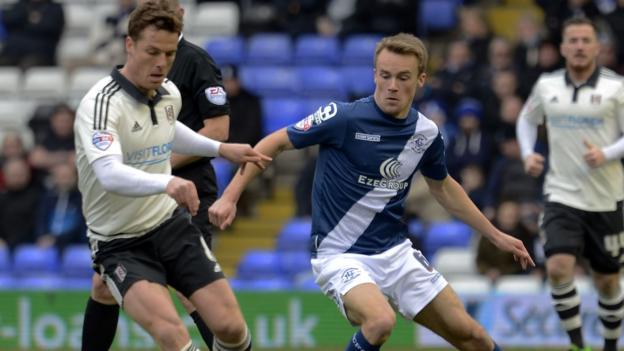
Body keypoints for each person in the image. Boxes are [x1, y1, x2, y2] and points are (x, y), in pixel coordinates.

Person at [209, 33, 534, 351]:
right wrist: (230, 195)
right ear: (374, 75)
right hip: (339, 254)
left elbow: (444, 187)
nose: (392, 85)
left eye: (403, 77)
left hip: (396, 253)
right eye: (385, 75)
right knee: (379, 322)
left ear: (421, 80)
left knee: (472, 336)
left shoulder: (426, 133)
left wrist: (495, 235)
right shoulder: (343, 117)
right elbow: (274, 143)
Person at [74, 2, 269, 350]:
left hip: (169, 225)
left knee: (231, 329)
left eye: (169, 53)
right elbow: (109, 173)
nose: (162, 62)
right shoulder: (100, 105)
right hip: (120, 242)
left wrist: (222, 150)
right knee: (173, 336)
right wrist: (168, 181)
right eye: (152, 51)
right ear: (129, 45)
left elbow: (168, 128)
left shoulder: (169, 93)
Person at [516, 16, 624, 351]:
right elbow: (525, 118)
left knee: (608, 283)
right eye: (572, 40)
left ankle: (609, 344)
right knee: (559, 268)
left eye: (585, 40)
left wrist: (606, 154)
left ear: (597, 47)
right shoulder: (547, 85)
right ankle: (577, 345)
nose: (579, 46)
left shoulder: (616, 87)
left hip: (607, 198)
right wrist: (526, 153)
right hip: (561, 194)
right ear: (562, 47)